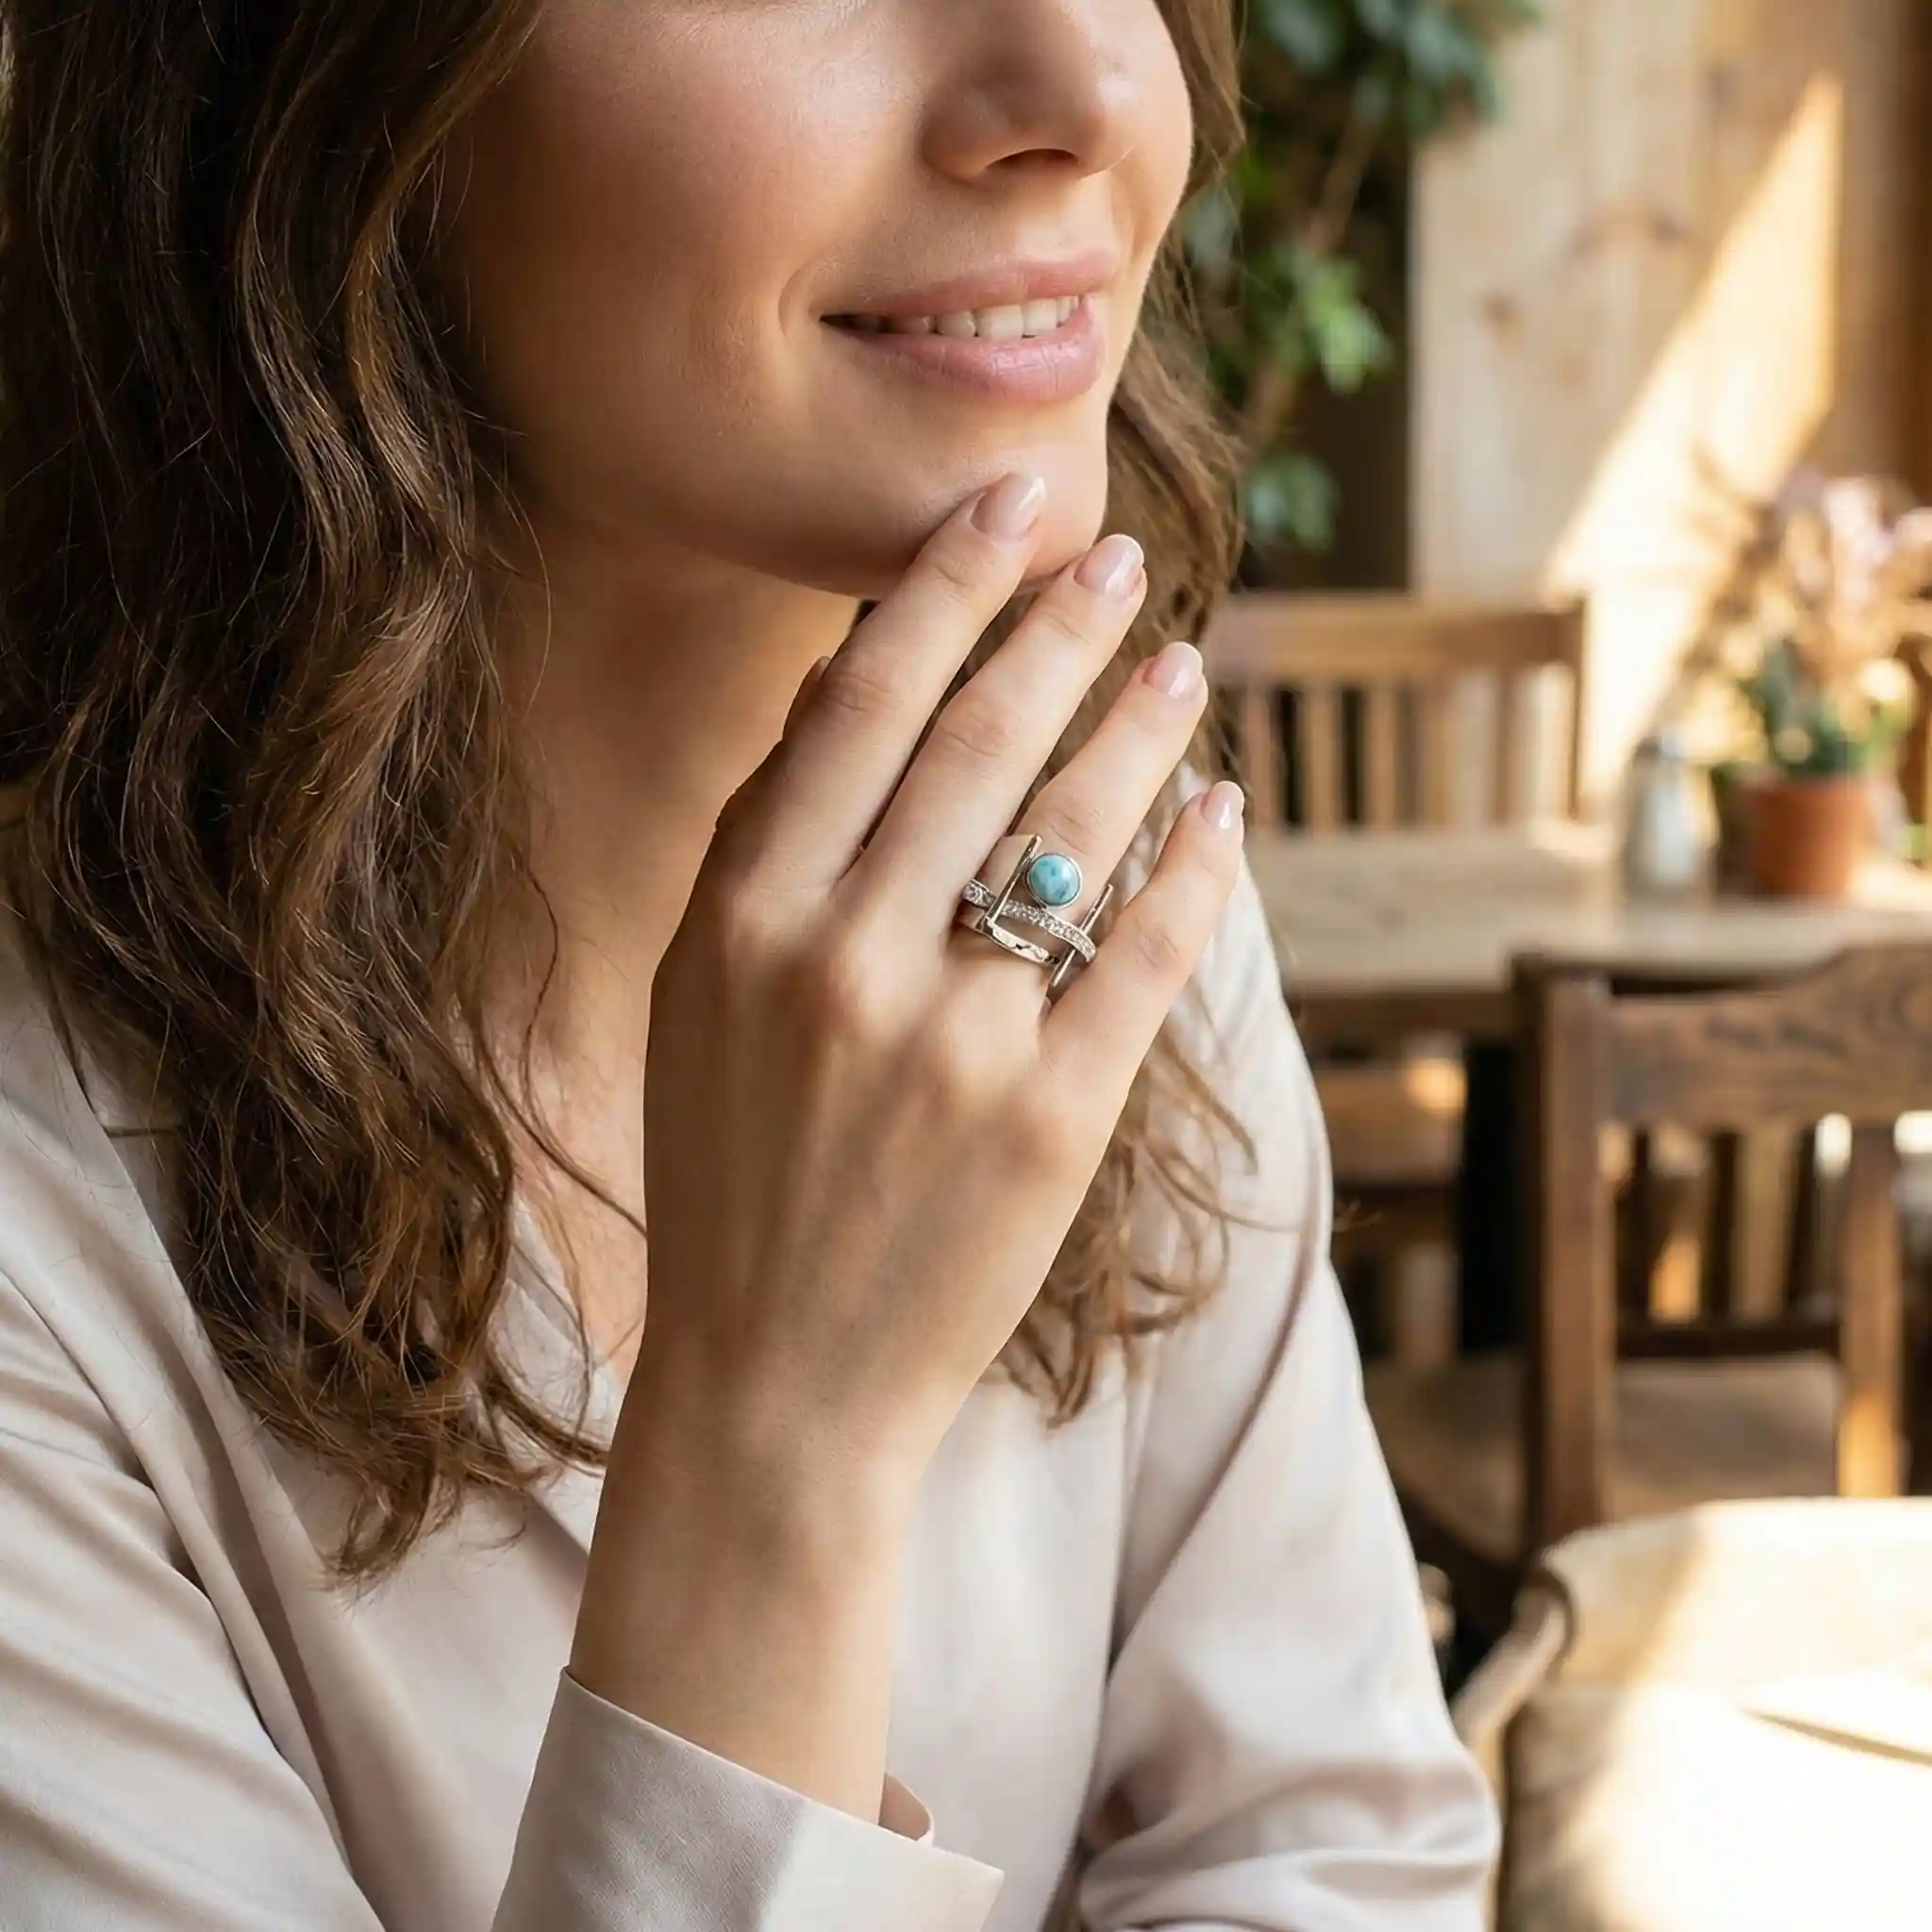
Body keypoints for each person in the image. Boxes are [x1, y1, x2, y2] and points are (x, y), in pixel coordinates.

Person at [0, 2, 1496, 1926]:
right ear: (310, 85)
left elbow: (1322, 1853)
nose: (1095, 91)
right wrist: (779, 1449)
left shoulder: (1064, 878)